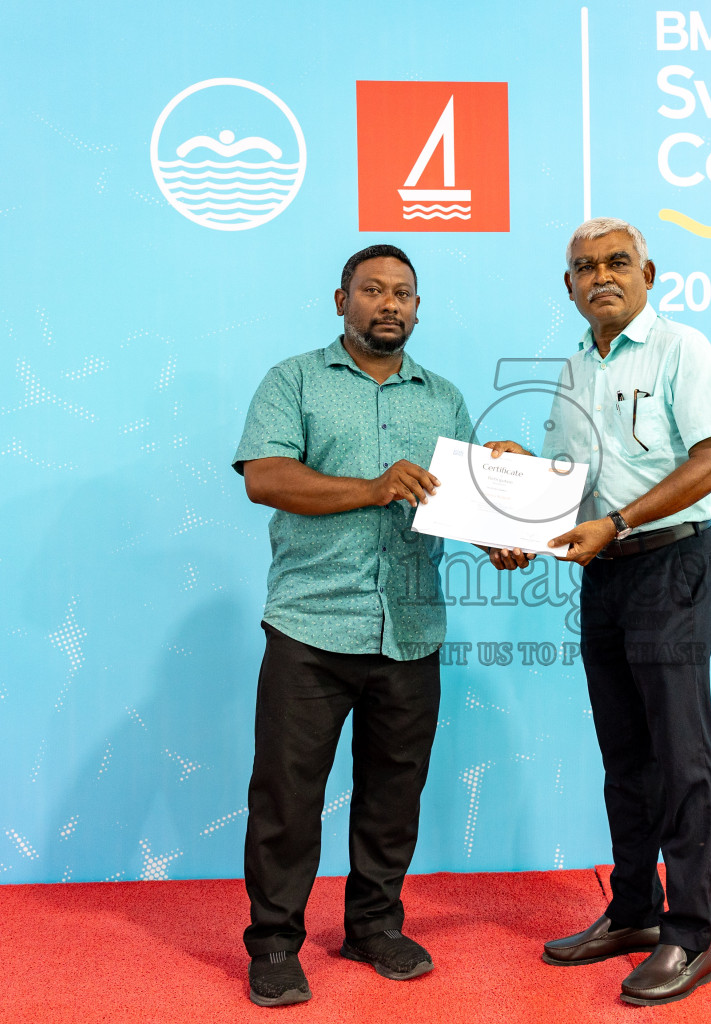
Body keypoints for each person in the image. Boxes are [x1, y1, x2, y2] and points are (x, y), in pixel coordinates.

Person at [488, 218, 711, 1005]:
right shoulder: (572, 372)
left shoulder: (682, 350)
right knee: (624, 754)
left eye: (617, 262)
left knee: (679, 756)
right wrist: (520, 510)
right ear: (568, 287)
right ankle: (633, 911)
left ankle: (689, 935)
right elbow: (577, 488)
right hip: (604, 575)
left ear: (648, 272)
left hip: (670, 564)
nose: (601, 275)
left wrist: (620, 523)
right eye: (584, 267)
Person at [231, 244, 474, 1007]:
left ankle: (374, 926)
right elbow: (266, 477)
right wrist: (373, 489)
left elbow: (461, 501)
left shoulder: (444, 398)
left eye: (403, 292)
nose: (389, 304)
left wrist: (504, 533)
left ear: (418, 307)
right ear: (341, 301)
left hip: (409, 628)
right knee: (288, 797)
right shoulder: (292, 380)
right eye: (372, 290)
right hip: (311, 626)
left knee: (394, 794)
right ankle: (273, 943)